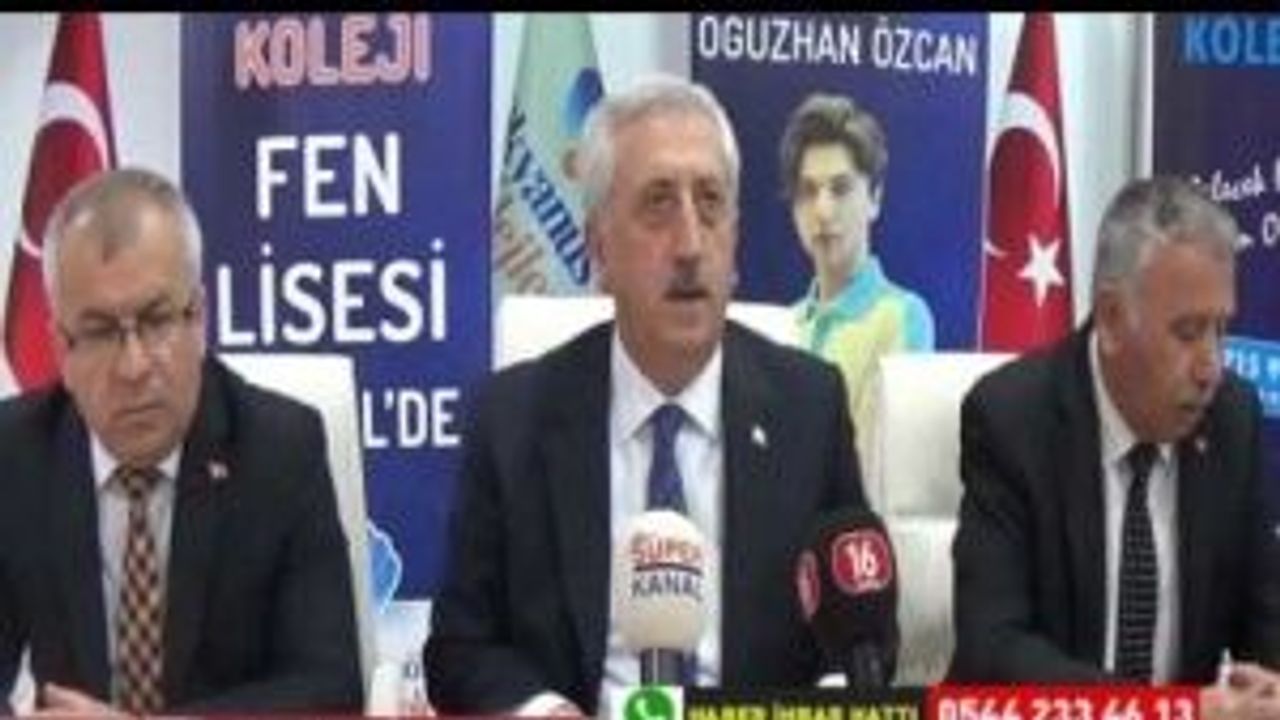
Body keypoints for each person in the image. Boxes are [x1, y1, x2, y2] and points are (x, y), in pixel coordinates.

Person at [424, 76, 870, 716]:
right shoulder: (513, 420)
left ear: (736, 241)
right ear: (599, 249)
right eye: (658, 204)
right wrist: (544, 713)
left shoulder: (810, 408)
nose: (690, 244)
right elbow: (461, 648)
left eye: (710, 203)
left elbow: (857, 631)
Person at [0, 168, 362, 714]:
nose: (134, 366)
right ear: (60, 349)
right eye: (98, 332)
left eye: (157, 320)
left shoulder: (280, 451)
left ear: (199, 319)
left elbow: (329, 687)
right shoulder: (15, 457)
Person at [950, 177, 1280, 701]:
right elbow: (993, 650)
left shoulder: (1232, 420)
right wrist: (1169, 713)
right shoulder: (1012, 420)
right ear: (1110, 319)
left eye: (1221, 330)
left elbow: (1267, 622)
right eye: (1188, 333)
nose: (1211, 368)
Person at [780, 92, 935, 447]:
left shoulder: (903, 316)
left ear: (875, 198)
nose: (822, 210)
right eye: (808, 191)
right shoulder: (784, 326)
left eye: (840, 189)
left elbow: (880, 453)